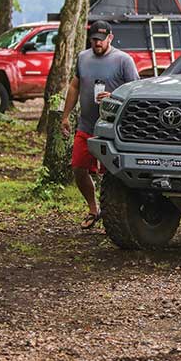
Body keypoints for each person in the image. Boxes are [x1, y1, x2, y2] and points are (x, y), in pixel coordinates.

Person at [61, 20, 139, 229]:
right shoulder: (83, 58)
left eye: (101, 40)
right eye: (94, 39)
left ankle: (114, 216)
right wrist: (65, 116)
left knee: (110, 175)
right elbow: (74, 86)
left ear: (110, 38)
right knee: (78, 167)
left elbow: (136, 91)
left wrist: (113, 96)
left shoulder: (123, 60)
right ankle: (93, 208)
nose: (97, 43)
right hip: (86, 125)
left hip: (112, 129)